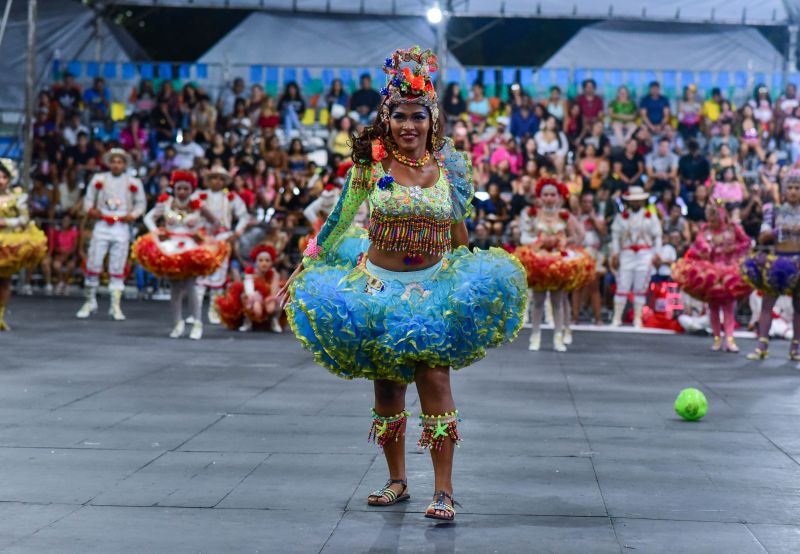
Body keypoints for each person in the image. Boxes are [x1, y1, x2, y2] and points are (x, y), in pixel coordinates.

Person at [279, 46, 526, 522]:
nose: (408, 126)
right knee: (389, 389)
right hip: (375, 288)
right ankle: (397, 480)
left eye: (417, 116)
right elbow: (338, 220)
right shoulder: (370, 168)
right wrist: (304, 264)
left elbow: (459, 233)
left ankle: (445, 490)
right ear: (386, 118)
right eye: (399, 116)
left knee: (435, 380)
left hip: (433, 287)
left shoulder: (450, 169)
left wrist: (467, 282)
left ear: (432, 120)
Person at [135, 170, 228, 340]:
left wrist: (202, 233)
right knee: (175, 288)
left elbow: (216, 222)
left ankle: (197, 323)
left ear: (191, 189)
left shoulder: (198, 205)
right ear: (174, 188)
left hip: (191, 248)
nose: (182, 192)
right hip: (170, 247)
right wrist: (156, 232)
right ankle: (178, 323)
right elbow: (148, 218)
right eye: (179, 188)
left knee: (192, 286)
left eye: (186, 188)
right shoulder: (166, 202)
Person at [514, 178, 590, 351]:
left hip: (558, 261)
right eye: (545, 195)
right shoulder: (532, 213)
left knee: (558, 300)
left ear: (558, 197)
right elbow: (524, 237)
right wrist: (540, 240)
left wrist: (562, 241)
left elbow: (579, 234)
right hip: (539, 261)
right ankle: (535, 336)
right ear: (540, 197)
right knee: (538, 300)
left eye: (552, 195)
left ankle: (558, 336)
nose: (549, 198)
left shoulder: (564, 215)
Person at [76, 148, 146, 321]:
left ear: (124, 164)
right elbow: (88, 200)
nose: (116, 165)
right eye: (113, 161)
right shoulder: (99, 179)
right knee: (94, 261)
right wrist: (91, 210)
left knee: (117, 265)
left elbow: (141, 204)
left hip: (121, 227)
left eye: (119, 162)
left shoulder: (133, 181)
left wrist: (134, 215)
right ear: (109, 163)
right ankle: (89, 301)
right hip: (102, 224)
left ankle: (115, 305)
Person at [673, 202, 751, 352]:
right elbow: (697, 247)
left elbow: (746, 242)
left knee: (728, 306)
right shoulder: (705, 229)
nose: (712, 222)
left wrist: (732, 249)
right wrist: (706, 250)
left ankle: (729, 339)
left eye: (715, 219)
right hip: (710, 273)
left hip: (729, 271)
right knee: (713, 306)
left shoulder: (733, 228)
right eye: (710, 219)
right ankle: (716, 338)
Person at [742, 169, 800, 360]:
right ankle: (761, 345)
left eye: (797, 188)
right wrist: (778, 231)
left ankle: (796, 348)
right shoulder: (773, 211)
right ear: (784, 190)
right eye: (790, 187)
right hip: (778, 263)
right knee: (767, 304)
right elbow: (762, 236)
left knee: (798, 306)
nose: (793, 191)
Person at [193, 167, 250, 325]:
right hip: (203, 238)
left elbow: (244, 216)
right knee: (200, 274)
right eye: (213, 178)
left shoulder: (231, 197)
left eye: (220, 179)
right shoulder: (199, 196)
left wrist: (236, 233)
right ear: (208, 180)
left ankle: (214, 309)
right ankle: (195, 311)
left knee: (219, 273)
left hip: (223, 238)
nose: (216, 182)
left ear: (224, 182)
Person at [0, 162, 47, 330]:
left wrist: (6, 222)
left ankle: (1, 315)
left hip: (8, 242)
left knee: (5, 281)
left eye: (4, 177)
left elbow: (24, 219)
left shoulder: (17, 196)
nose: (1, 180)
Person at [610, 186, 662, 327]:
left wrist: (657, 253)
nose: (636, 203)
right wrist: (615, 252)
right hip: (626, 253)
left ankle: (637, 318)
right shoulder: (621, 218)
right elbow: (615, 236)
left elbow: (657, 236)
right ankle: (617, 317)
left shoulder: (650, 216)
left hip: (644, 254)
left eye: (639, 201)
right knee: (622, 285)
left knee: (640, 286)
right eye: (633, 201)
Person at [216, 245, 282, 333]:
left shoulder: (274, 274)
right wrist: (254, 301)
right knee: (246, 297)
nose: (264, 263)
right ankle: (248, 320)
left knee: (280, 298)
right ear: (256, 262)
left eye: (267, 261)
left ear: (271, 263)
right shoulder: (250, 273)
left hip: (268, 299)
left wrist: (270, 300)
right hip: (253, 298)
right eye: (261, 260)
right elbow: (249, 291)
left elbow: (274, 292)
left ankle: (274, 320)